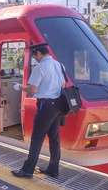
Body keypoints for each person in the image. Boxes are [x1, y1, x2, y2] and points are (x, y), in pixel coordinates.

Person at [11, 43, 65, 179]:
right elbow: (63, 85)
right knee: (54, 138)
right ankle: (53, 169)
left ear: (39, 53)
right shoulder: (59, 65)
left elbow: (31, 89)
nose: (35, 58)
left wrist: (19, 87)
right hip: (59, 105)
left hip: (46, 106)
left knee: (37, 139)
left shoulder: (40, 67)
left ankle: (27, 171)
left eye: (34, 56)